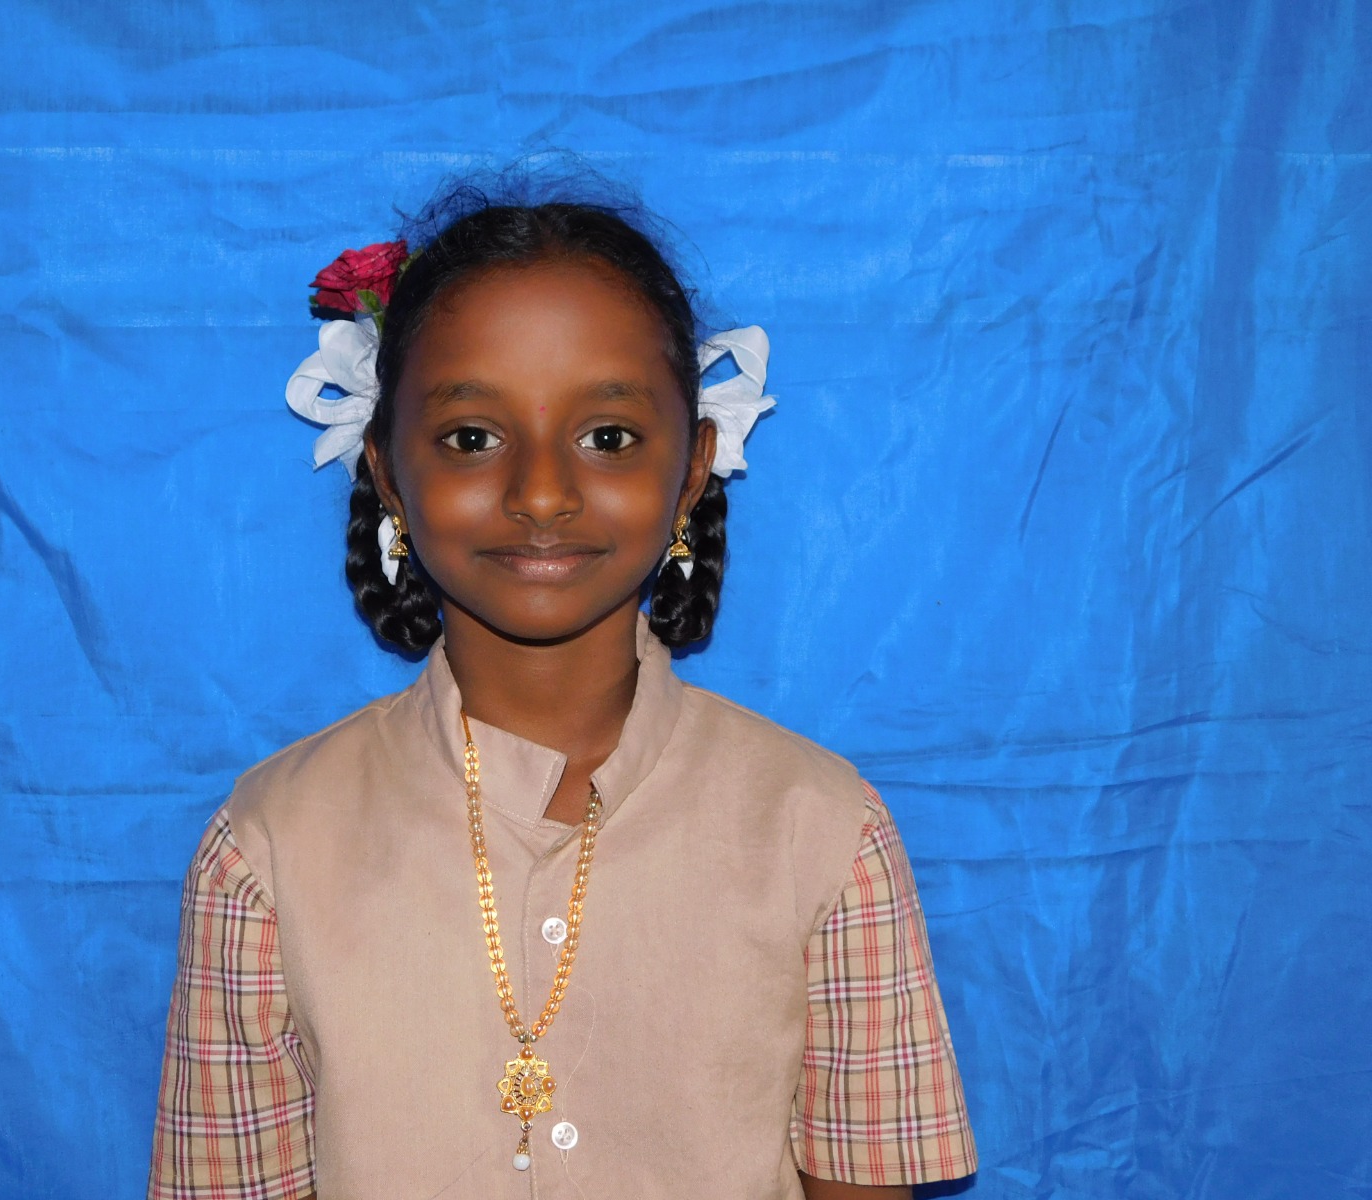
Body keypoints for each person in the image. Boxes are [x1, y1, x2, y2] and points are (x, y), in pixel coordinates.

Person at [148, 179, 977, 1200]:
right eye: (471, 437)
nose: (541, 494)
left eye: (608, 437)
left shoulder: (823, 833)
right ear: (388, 472)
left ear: (693, 469)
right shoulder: (268, 847)